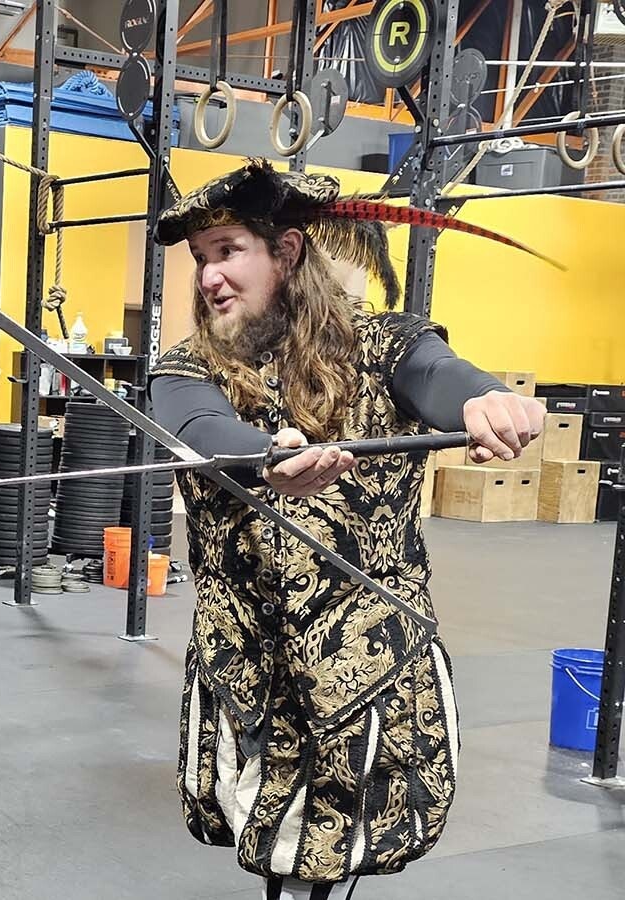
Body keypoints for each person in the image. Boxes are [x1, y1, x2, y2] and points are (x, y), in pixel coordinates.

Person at [148, 159, 547, 900]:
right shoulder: (183, 366)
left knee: (322, 864)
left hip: (366, 673)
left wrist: (486, 401)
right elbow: (197, 425)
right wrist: (263, 459)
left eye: (228, 250)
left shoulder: (386, 344)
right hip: (246, 668)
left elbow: (438, 374)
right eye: (201, 259)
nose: (207, 277)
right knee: (283, 856)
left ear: (288, 252)